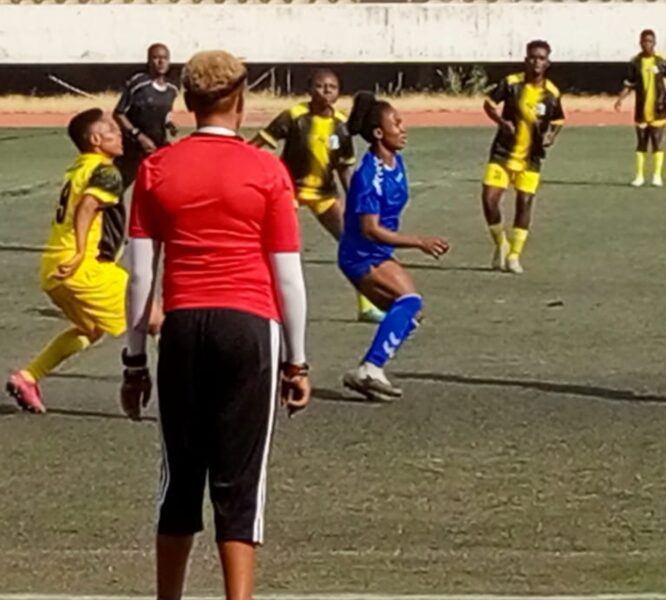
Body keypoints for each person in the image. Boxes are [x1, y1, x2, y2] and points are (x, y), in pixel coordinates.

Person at [119, 50, 311, 600]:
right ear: (241, 99)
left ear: (186, 101)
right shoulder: (266, 170)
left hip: (182, 327)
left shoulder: (157, 169)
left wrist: (134, 363)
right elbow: (289, 278)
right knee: (240, 479)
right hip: (251, 327)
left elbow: (139, 276)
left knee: (180, 475)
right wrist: (296, 361)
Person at [6, 108, 140, 414]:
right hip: (83, 269)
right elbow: (87, 206)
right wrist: (81, 251)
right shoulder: (106, 171)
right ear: (96, 139)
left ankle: (28, 377)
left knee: (91, 329)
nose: (119, 135)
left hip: (54, 270)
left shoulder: (77, 170)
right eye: (112, 131)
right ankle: (190, 396)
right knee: (154, 316)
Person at [339, 92, 449, 401]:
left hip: (377, 252)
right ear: (378, 133)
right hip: (361, 255)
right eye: (396, 123)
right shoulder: (368, 176)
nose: (403, 128)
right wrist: (419, 242)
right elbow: (370, 229)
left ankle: (368, 373)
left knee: (410, 314)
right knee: (409, 303)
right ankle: (370, 369)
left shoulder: (395, 162)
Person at [251, 69, 384, 323]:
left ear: (338, 92)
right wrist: (240, 154)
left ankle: (366, 305)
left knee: (353, 244)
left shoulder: (341, 125)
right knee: (277, 245)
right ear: (310, 89)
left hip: (324, 194)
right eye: (320, 86)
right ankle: (267, 304)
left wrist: (356, 202)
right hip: (290, 192)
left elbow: (345, 167)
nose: (325, 91)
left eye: (331, 87)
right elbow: (262, 140)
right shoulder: (294, 116)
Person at [481, 40, 565, 274]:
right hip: (503, 152)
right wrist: (501, 122)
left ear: (548, 63)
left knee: (524, 203)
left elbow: (558, 119)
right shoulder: (511, 83)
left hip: (531, 157)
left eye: (541, 58)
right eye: (533, 57)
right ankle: (501, 243)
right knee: (489, 199)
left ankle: (515, 255)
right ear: (526, 59)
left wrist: (551, 136)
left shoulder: (552, 94)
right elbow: (488, 103)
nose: (536, 62)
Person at [614, 29, 666, 188]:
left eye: (650, 41)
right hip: (641, 109)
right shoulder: (635, 62)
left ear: (654, 43)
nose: (647, 44)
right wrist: (620, 99)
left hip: (659, 107)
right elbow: (629, 84)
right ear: (640, 43)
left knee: (657, 141)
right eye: (644, 41)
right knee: (641, 142)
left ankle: (657, 175)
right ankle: (640, 175)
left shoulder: (662, 61)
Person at [113, 43, 179, 189]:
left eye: (164, 58)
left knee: (161, 186)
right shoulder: (139, 84)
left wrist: (169, 124)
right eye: (156, 58)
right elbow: (119, 113)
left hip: (158, 146)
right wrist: (139, 136)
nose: (160, 62)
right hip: (133, 147)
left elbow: (165, 113)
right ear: (149, 61)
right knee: (118, 186)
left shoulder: (172, 89)